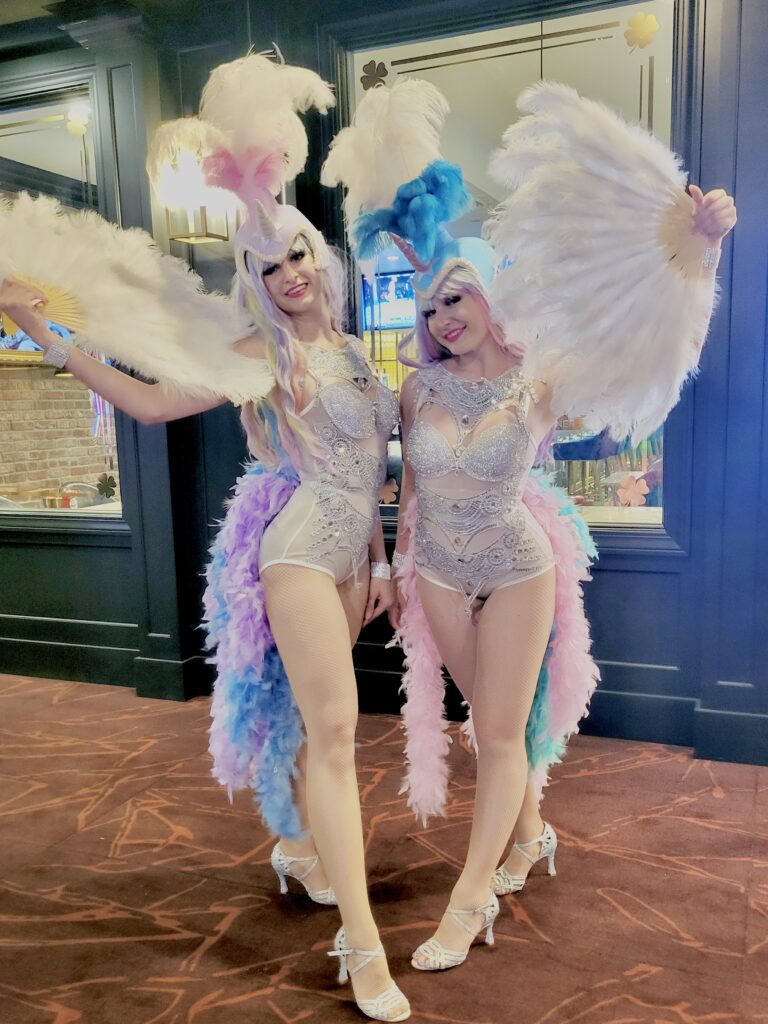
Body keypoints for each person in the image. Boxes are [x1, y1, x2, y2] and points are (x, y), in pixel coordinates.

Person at [0, 54, 410, 1024]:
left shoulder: (353, 351)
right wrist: (47, 336)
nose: (292, 274)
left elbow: (384, 467)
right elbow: (146, 403)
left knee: (319, 728)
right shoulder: (257, 354)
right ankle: (361, 941)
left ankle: (303, 847)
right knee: (346, 733)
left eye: (300, 255)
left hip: (357, 554)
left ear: (320, 255)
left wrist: (388, 556)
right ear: (256, 282)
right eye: (270, 267)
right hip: (301, 549)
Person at [324, 76, 737, 973]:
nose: (441, 315)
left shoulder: (540, 379)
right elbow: (406, 487)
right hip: (435, 567)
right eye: (430, 306)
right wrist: (392, 564)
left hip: (516, 564)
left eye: (455, 298)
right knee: (483, 725)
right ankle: (532, 835)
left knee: (502, 733)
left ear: (487, 300)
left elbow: (645, 350)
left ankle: (469, 901)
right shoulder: (416, 386)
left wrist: (696, 258)